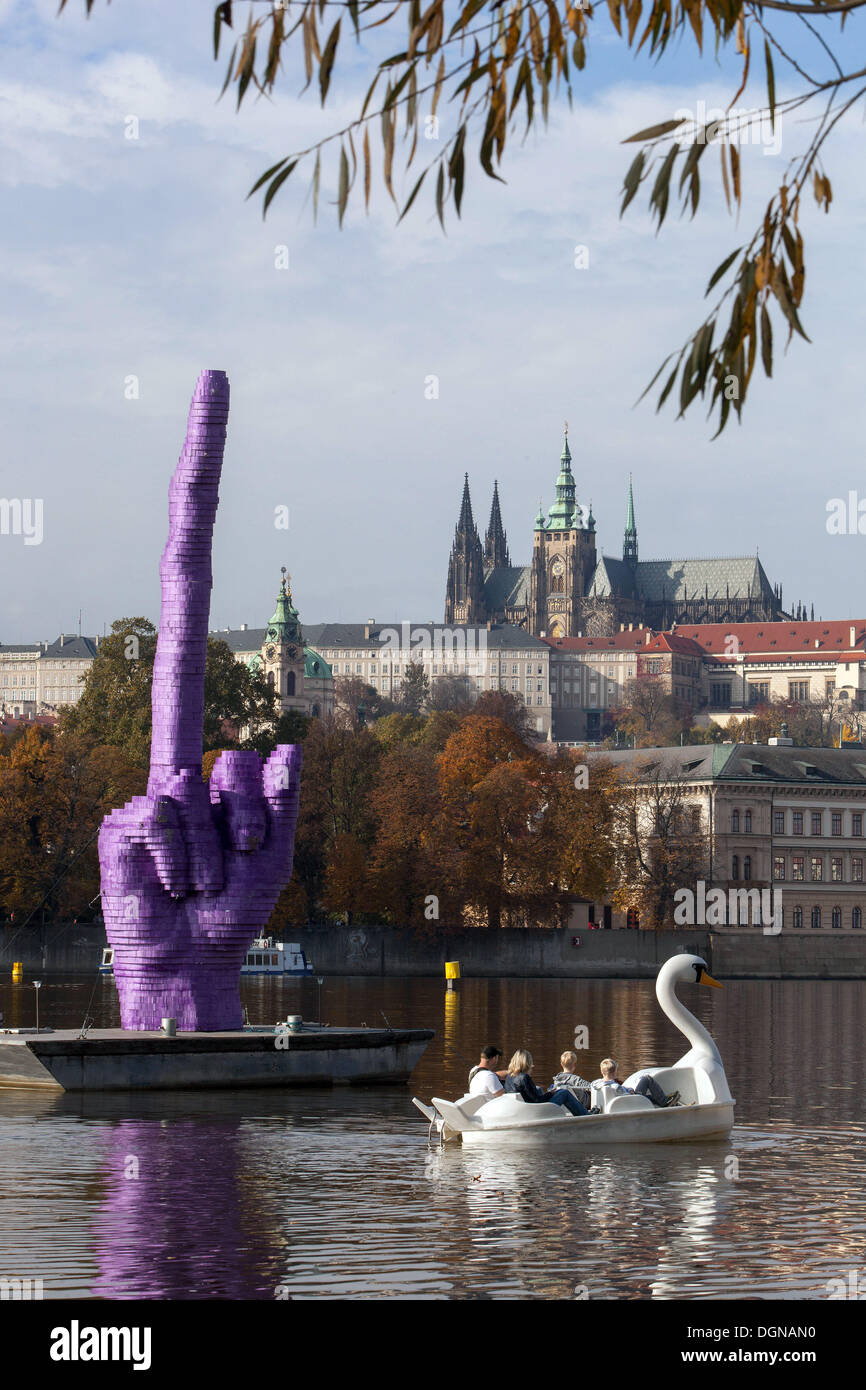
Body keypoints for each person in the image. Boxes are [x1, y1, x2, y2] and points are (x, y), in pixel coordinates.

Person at [504, 1049, 588, 1116]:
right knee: (564, 1093)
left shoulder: (509, 1076)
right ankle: (585, 1115)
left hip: (523, 1109)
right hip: (538, 1112)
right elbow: (537, 1100)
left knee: (538, 1089)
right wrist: (550, 1093)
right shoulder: (524, 1077)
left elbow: (533, 1097)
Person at [591, 1058, 679, 1109]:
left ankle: (665, 1101)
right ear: (614, 1073)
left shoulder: (596, 1083)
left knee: (650, 1097)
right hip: (633, 1101)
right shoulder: (615, 1086)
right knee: (646, 1079)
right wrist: (630, 1091)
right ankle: (665, 1102)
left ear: (602, 1072)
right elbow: (625, 1096)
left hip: (621, 1101)